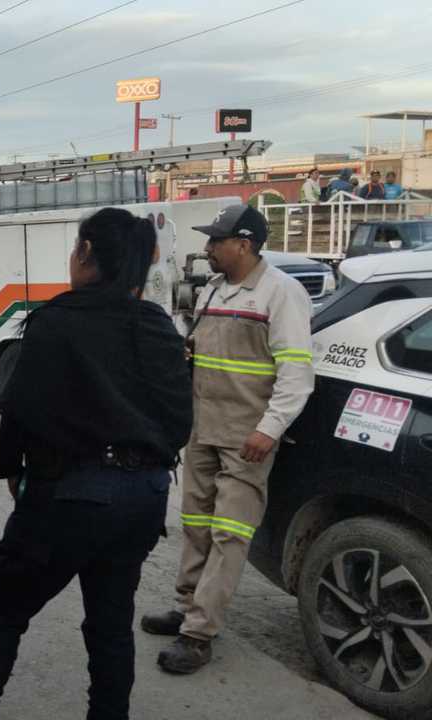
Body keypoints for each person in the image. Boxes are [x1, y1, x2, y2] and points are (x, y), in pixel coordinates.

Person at [0, 208, 193, 720]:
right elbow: (180, 421)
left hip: (70, 497)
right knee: (111, 625)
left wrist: (17, 474)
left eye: (74, 248)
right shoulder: (156, 325)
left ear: (85, 253)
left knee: (4, 613)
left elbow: (19, 410)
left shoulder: (56, 321)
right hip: (144, 499)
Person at [142, 205, 313, 674]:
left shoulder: (281, 293)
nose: (208, 248)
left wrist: (268, 430)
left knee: (228, 535)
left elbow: (297, 374)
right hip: (203, 429)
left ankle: (199, 634)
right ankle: (188, 607)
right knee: (196, 526)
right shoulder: (215, 288)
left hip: (246, 438)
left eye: (216, 240)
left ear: (244, 244)